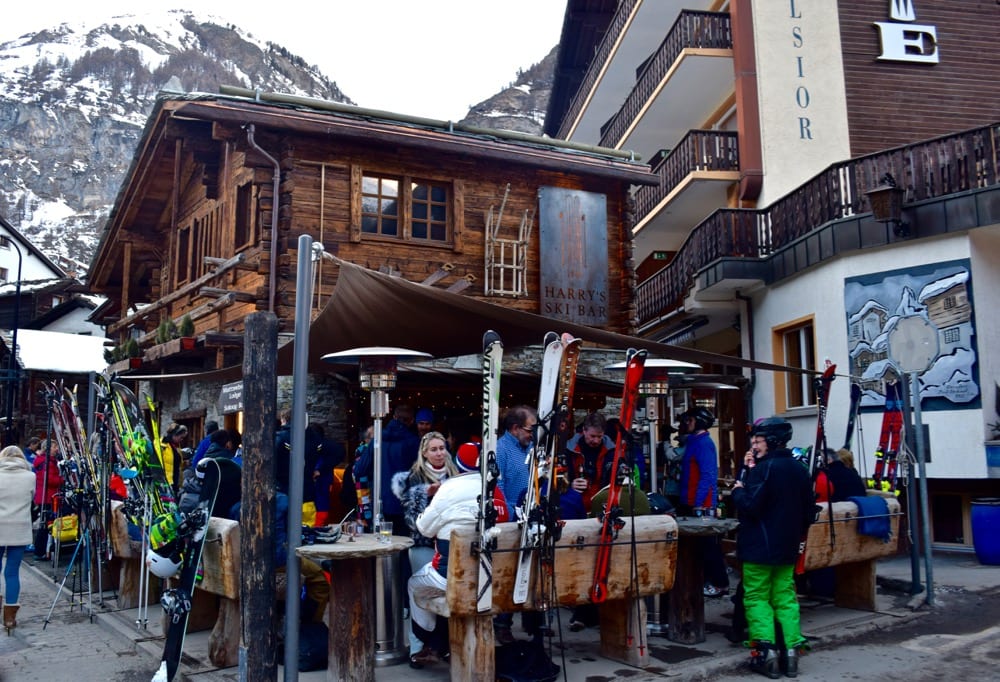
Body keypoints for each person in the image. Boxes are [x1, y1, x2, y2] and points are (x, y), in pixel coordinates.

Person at [407, 446, 509, 668]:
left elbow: (423, 528)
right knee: (449, 588)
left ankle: (429, 640)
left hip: (452, 576)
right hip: (492, 579)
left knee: (416, 584)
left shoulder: (448, 488)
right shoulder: (495, 490)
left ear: (459, 465)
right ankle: (441, 644)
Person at [731, 417, 816, 679]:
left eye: (758, 441)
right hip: (787, 546)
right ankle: (790, 653)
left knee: (757, 598)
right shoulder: (800, 469)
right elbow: (809, 511)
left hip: (759, 546)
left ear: (772, 442)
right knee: (785, 598)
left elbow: (750, 506)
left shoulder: (764, 470)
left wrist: (737, 489)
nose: (754, 445)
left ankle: (765, 654)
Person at [392, 431, 458, 660]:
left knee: (449, 595)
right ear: (424, 452)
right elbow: (410, 520)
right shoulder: (414, 477)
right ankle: (418, 647)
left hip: (451, 544)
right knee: (422, 595)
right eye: (434, 449)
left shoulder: (456, 475)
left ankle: (444, 646)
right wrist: (425, 494)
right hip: (423, 544)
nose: (439, 453)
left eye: (442, 448)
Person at [493, 405, 544, 643]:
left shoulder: (531, 447)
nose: (532, 434)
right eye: (529, 429)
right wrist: (508, 515)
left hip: (532, 513)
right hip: (512, 519)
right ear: (515, 428)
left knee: (534, 569)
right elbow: (498, 485)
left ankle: (534, 620)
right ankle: (502, 623)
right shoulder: (500, 449)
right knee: (510, 573)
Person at [679, 408, 729, 598]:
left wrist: (699, 503)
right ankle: (709, 581)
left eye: (690, 420)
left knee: (709, 546)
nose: (687, 423)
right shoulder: (695, 442)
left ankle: (719, 583)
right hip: (692, 500)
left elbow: (707, 475)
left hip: (701, 504)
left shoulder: (704, 444)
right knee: (701, 546)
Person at [0, 445, 36, 632]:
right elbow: (32, 499)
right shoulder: (30, 477)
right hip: (19, 527)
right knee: (12, 572)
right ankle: (9, 618)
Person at [308, 423, 346, 527]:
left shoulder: (318, 445)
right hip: (323, 480)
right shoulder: (327, 447)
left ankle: (316, 527)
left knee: (319, 502)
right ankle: (318, 526)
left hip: (319, 481)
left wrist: (320, 470)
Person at [32, 440, 63, 561]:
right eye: (55, 447)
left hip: (44, 496)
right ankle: (40, 552)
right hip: (48, 497)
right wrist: (63, 479)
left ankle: (42, 550)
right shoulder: (47, 463)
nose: (57, 449)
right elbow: (50, 480)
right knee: (46, 525)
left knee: (45, 525)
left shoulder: (46, 461)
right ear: (48, 448)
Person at [160, 423, 188, 494]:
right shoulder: (162, 445)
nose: (181, 440)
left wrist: (184, 463)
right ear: (174, 435)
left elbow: (176, 463)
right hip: (166, 481)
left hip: (175, 482)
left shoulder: (176, 447)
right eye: (181, 437)